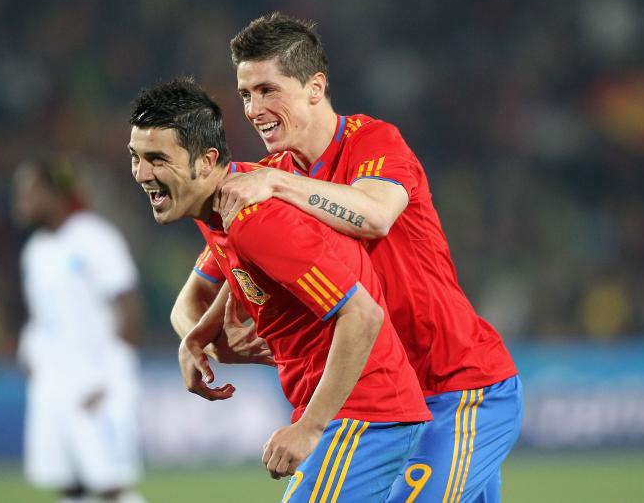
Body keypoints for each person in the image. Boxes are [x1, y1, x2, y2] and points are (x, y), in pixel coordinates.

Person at [186, 13, 523, 503]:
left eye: (267, 90)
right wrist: (194, 336)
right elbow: (205, 286)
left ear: (315, 87)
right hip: (384, 405)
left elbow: (376, 215)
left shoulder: (372, 142)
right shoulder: (265, 180)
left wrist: (278, 183)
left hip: (459, 387)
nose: (254, 109)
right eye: (245, 95)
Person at [129, 78, 431, 502]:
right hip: (360, 413)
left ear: (205, 161)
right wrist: (200, 333)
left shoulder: (255, 220)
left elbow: (363, 314)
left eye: (157, 159)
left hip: (364, 414)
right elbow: (235, 280)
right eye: (136, 157)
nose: (142, 174)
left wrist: (310, 428)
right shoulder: (222, 204)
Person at [13, 158, 145, 503]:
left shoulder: (94, 237)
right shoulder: (35, 252)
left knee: (109, 485)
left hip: (95, 382)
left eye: (29, 193)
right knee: (68, 485)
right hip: (52, 383)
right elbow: (41, 316)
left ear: (54, 193)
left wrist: (112, 376)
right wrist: (31, 353)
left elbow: (128, 307)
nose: (21, 203)